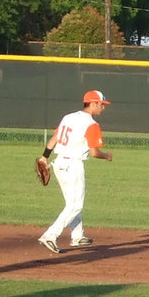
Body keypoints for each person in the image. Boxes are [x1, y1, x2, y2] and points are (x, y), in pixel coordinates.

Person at [36, 90, 114, 254]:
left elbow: (55, 138)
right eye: (101, 104)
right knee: (76, 204)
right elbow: (94, 152)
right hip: (73, 165)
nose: (103, 108)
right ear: (93, 103)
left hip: (58, 163)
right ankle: (50, 235)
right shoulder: (91, 124)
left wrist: (44, 157)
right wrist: (106, 156)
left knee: (72, 202)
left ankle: (77, 236)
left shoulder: (68, 117)